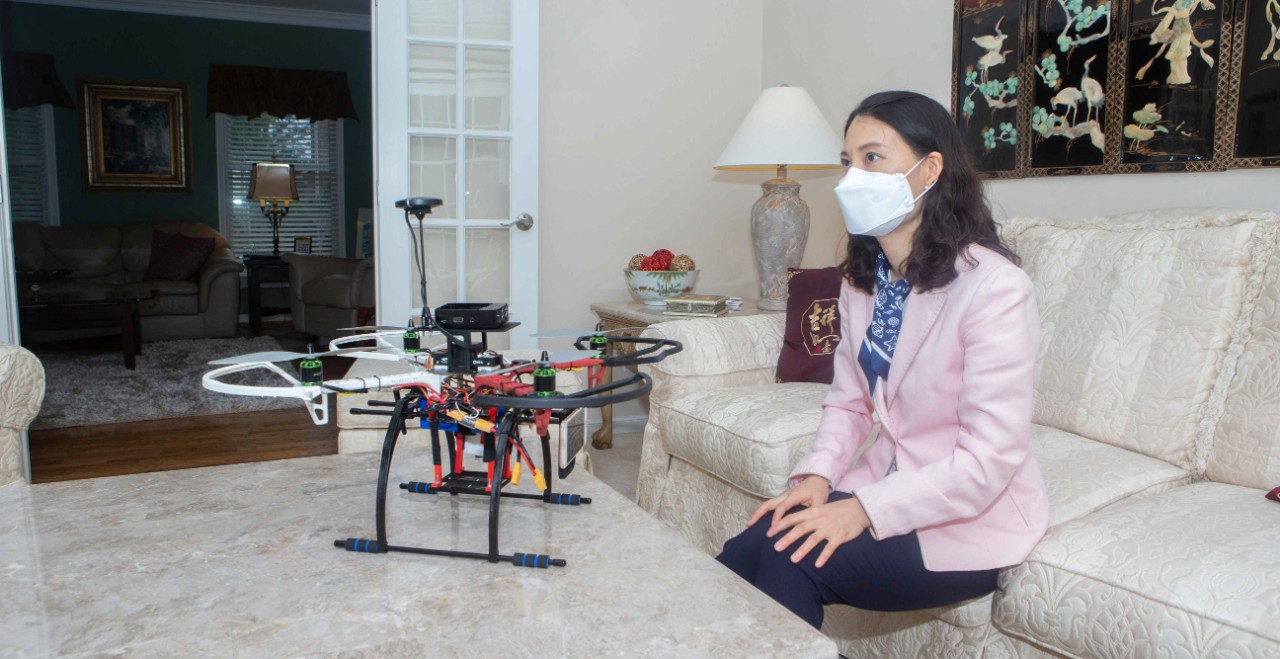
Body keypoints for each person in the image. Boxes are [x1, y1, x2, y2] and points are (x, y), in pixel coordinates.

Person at [715, 90, 1049, 630]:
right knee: (746, 549)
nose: (853, 177)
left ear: (929, 170)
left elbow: (989, 459)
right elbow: (848, 404)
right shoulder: (864, 280)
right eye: (848, 162)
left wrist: (862, 509)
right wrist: (818, 479)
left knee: (787, 558)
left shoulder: (995, 288)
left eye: (873, 158)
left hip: (965, 518)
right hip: (885, 481)